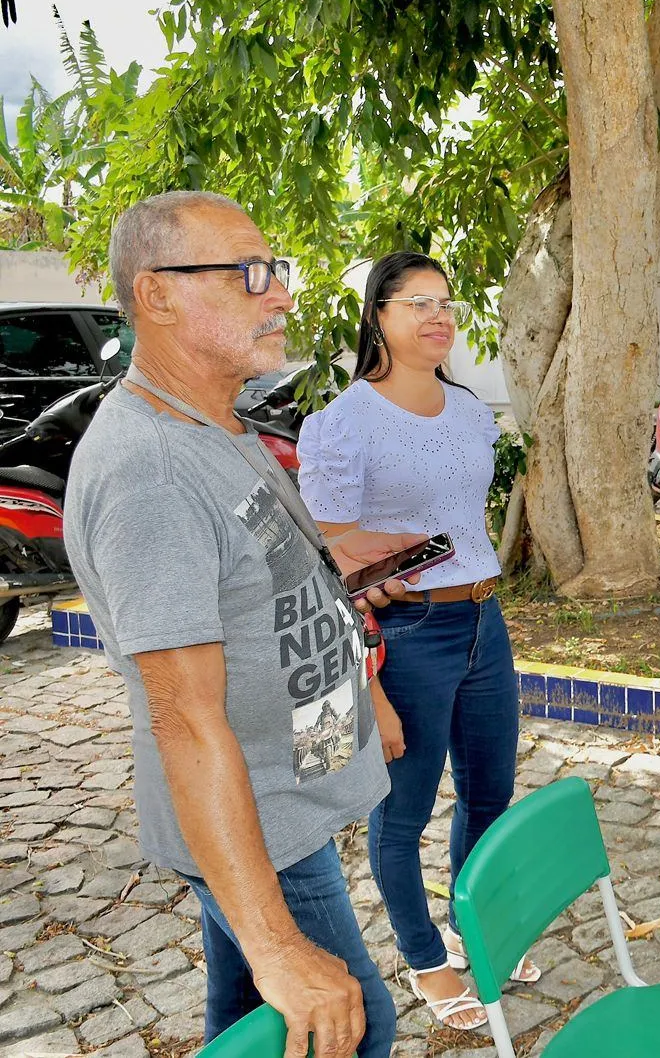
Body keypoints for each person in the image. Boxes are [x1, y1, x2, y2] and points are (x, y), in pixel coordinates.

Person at [64, 191, 422, 1058]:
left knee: (246, 1034)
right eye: (251, 275)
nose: (283, 296)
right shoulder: (151, 474)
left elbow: (265, 578)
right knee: (349, 1024)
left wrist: (359, 692)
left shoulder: (214, 421)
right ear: (158, 294)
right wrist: (276, 948)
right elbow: (183, 718)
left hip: (281, 792)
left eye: (278, 272)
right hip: (254, 819)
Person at [297, 252, 535, 1032]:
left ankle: (480, 923)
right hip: (405, 631)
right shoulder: (343, 424)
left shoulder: (469, 410)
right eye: (416, 302)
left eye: (446, 301)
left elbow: (466, 519)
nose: (438, 316)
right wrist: (366, 683)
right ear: (378, 318)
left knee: (491, 794)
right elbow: (328, 554)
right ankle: (426, 958)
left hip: (482, 620)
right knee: (403, 815)